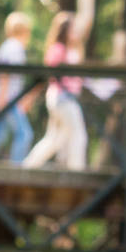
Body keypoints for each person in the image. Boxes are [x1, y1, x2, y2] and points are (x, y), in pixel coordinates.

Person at [23, 11, 88, 169]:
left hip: (65, 97)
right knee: (78, 134)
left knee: (54, 138)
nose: (76, 33)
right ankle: (77, 172)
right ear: (65, 31)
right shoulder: (58, 49)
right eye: (73, 29)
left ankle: (28, 166)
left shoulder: (72, 50)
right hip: (62, 97)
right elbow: (51, 73)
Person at [0, 11, 35, 163]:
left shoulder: (10, 46)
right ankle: (17, 166)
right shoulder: (13, 47)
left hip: (8, 97)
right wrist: (3, 99)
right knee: (24, 134)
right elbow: (5, 75)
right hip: (7, 98)